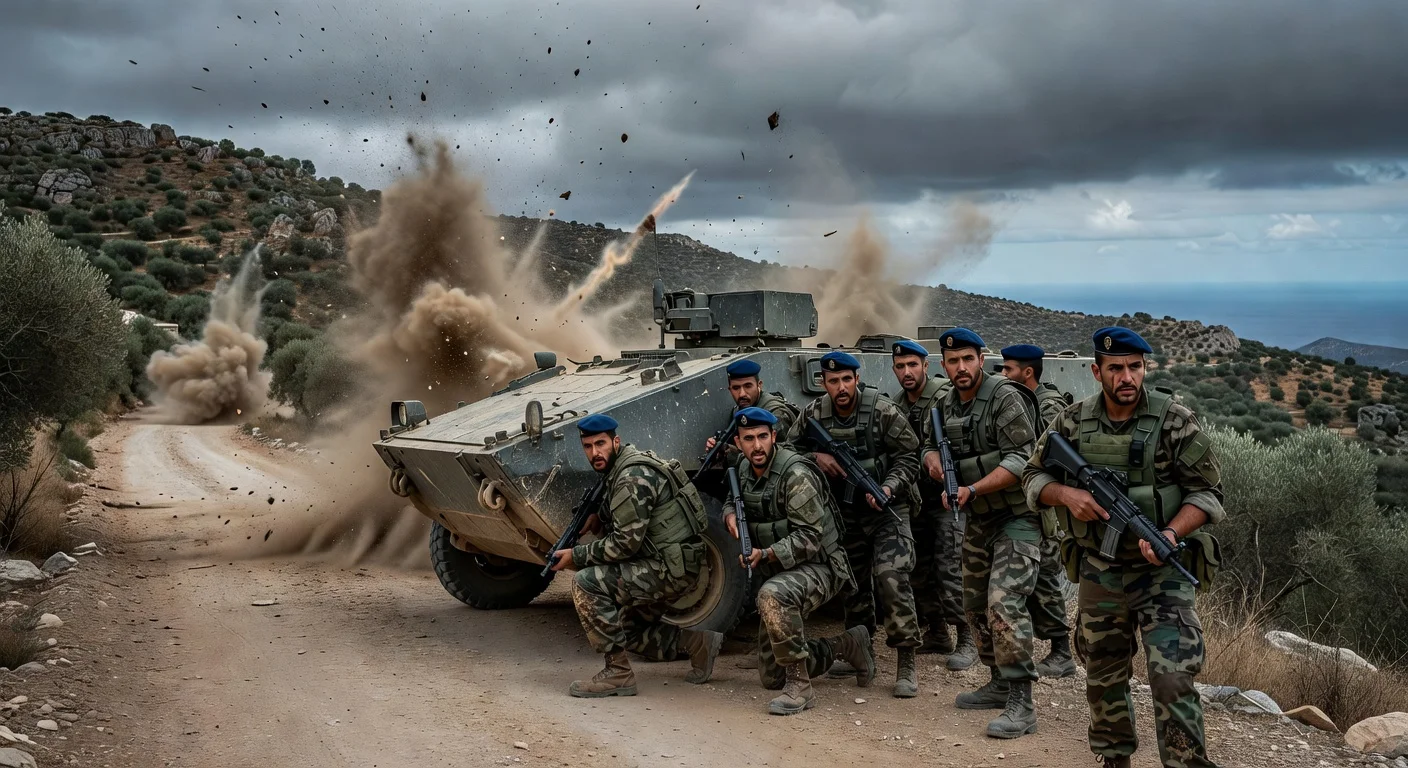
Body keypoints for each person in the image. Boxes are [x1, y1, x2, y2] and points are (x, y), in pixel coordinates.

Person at [1022, 327, 1224, 768]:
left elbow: (1209, 495)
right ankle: (1114, 758)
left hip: (1163, 573)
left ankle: (1186, 763)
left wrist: (1170, 534)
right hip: (1101, 569)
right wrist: (1067, 496)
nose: (1126, 377)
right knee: (1103, 673)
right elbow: (1032, 476)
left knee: (1172, 678)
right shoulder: (1073, 421)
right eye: (1116, 368)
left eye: (1135, 367)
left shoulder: (1175, 421)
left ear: (1145, 368)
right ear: (1097, 371)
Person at [922, 328, 1041, 739]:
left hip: (1017, 517)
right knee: (973, 603)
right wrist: (933, 458)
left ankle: (1022, 702)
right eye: (953, 362)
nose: (961, 368)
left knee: (1003, 602)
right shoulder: (943, 403)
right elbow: (925, 444)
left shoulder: (1004, 397)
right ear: (944, 366)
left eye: (967, 359)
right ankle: (998, 680)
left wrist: (971, 488)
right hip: (979, 521)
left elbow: (1022, 458)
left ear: (980, 359)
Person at [553, 414, 724, 698]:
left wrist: (577, 556)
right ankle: (698, 644)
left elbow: (625, 545)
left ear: (615, 442)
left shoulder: (629, 477)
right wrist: (600, 517)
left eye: (600, 444)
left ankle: (618, 674)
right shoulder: (622, 467)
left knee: (586, 582)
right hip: (672, 562)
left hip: (668, 569)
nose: (595, 453)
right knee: (626, 629)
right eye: (588, 446)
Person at [784, 350, 923, 698]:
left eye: (847, 380)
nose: (841, 387)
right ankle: (861, 649)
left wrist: (889, 487)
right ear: (823, 383)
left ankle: (906, 659)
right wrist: (817, 456)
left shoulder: (881, 410)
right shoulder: (814, 413)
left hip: (888, 508)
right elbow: (786, 450)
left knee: (891, 577)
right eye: (834, 381)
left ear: (857, 379)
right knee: (852, 582)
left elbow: (910, 456)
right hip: (844, 514)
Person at [724, 406, 874, 715]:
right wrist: (729, 513)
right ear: (738, 443)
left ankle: (800, 686)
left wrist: (765, 554)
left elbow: (809, 538)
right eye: (748, 439)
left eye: (763, 437)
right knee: (771, 676)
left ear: (774, 437)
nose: (756, 446)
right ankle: (846, 645)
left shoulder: (795, 473)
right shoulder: (742, 467)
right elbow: (734, 497)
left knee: (772, 595)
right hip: (785, 567)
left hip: (821, 565)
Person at [889, 339, 974, 667]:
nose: (907, 372)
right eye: (900, 366)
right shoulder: (896, 403)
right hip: (914, 499)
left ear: (927, 366)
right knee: (917, 567)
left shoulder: (944, 398)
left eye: (913, 365)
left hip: (947, 496)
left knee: (950, 565)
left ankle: (967, 636)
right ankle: (937, 632)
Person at [1000, 343, 1076, 678]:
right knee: (1031, 582)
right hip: (1024, 502)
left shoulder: (1048, 405)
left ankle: (1062, 652)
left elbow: (1047, 455)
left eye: (1009, 369)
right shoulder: (1018, 400)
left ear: (1027, 372)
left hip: (1043, 506)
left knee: (1045, 578)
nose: (1003, 375)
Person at [704, 359, 800, 458]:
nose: (742, 394)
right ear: (730, 389)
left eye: (748, 386)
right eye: (736, 388)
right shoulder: (738, 410)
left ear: (759, 385)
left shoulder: (775, 413)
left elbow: (775, 457)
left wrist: (732, 455)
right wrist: (721, 447)